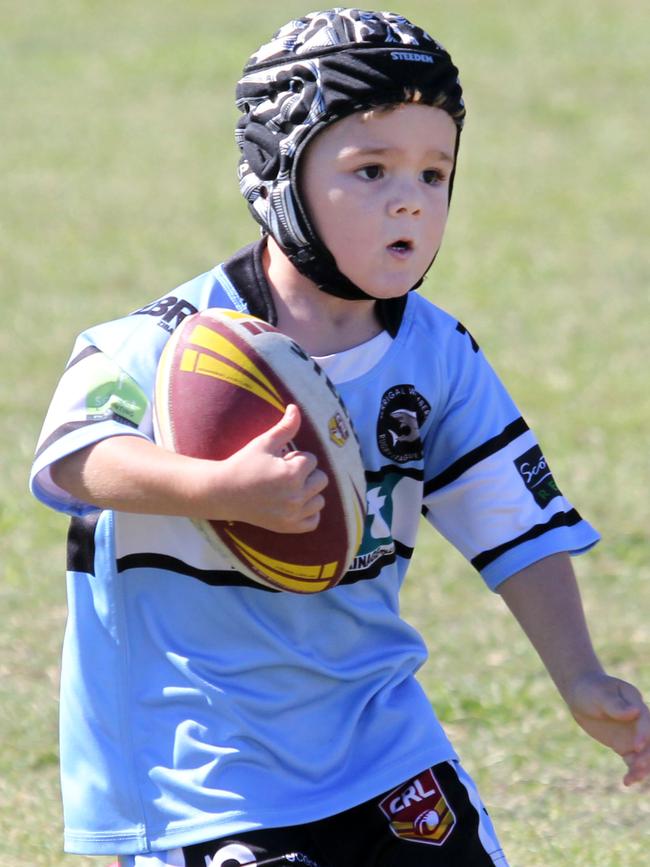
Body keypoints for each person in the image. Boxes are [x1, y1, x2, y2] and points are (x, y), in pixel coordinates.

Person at [30, 9, 650, 867]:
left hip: (379, 739)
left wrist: (582, 677)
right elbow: (70, 454)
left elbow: (516, 524)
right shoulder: (169, 338)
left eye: (435, 173)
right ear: (277, 173)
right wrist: (217, 490)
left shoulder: (436, 352)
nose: (410, 198)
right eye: (370, 169)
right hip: (205, 766)